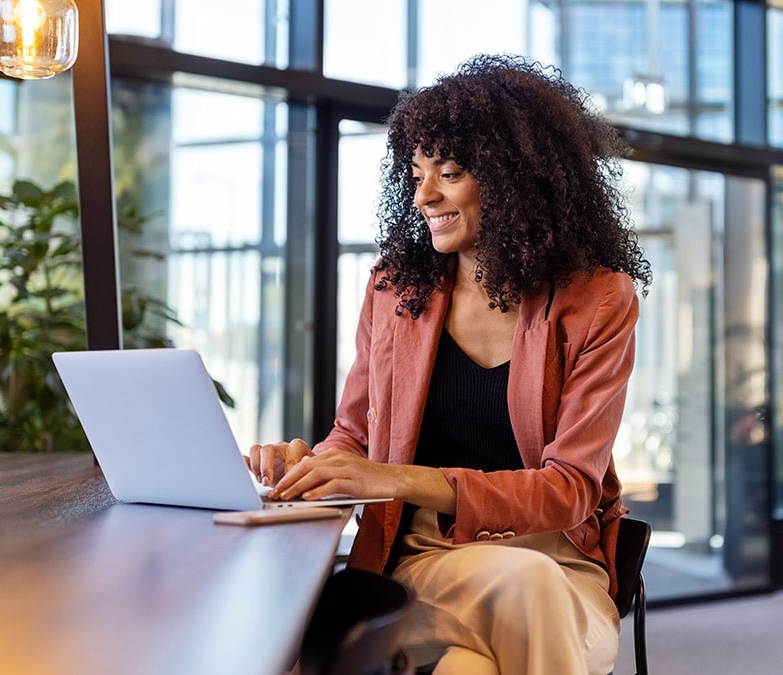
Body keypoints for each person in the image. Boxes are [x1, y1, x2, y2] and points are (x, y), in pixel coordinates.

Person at [249, 53, 652, 675]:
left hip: (558, 568)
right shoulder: (394, 291)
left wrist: (394, 478)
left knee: (483, 649)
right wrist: (307, 463)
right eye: (416, 174)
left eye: (451, 173)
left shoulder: (598, 301)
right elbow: (353, 436)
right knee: (520, 591)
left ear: (517, 179)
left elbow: (571, 488)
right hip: (423, 560)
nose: (424, 195)